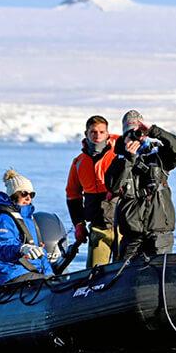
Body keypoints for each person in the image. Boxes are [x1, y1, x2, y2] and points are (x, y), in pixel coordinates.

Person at [105, 110, 176, 260]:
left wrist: (154, 131)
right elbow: (113, 187)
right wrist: (128, 160)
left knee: (159, 276)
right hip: (132, 235)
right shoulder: (119, 160)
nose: (136, 136)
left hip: (159, 232)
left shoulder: (159, 156)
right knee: (125, 276)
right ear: (124, 136)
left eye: (139, 132)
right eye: (131, 133)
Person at [66, 115, 120, 268]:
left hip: (123, 227)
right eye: (93, 132)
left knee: (124, 272)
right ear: (86, 134)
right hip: (98, 227)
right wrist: (78, 224)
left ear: (107, 134)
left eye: (102, 132)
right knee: (94, 272)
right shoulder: (79, 162)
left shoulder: (119, 156)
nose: (97, 136)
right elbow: (72, 195)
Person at [0, 169, 53, 286]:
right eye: (24, 193)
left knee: (55, 281)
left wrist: (50, 275)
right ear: (13, 195)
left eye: (31, 194)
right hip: (10, 273)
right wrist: (21, 249)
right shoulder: (3, 218)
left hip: (30, 271)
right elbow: (1, 248)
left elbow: (40, 251)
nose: (28, 198)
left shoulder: (29, 218)